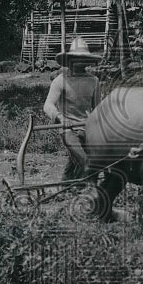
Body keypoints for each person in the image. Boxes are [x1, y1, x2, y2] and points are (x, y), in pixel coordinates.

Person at [42, 36, 101, 180]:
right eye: (76, 57)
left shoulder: (94, 81)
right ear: (69, 59)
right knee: (87, 163)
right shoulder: (60, 81)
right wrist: (60, 117)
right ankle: (92, 193)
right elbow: (47, 105)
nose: (80, 61)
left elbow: (98, 109)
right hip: (68, 129)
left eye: (83, 58)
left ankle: (66, 186)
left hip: (87, 128)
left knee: (91, 160)